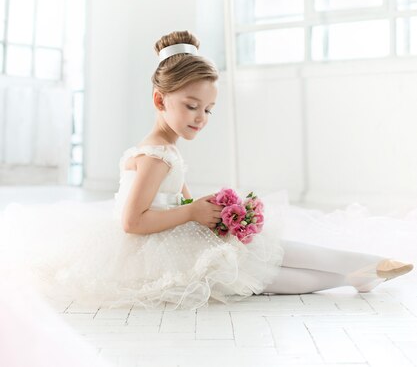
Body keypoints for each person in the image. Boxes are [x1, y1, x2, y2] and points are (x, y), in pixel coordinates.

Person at [0, 30, 413, 310]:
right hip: (153, 253)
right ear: (161, 101)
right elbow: (132, 221)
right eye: (191, 106)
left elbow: (168, 202)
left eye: (208, 109)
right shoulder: (156, 155)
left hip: (171, 235)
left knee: (266, 250)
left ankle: (364, 267)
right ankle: (360, 270)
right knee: (261, 273)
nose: (200, 117)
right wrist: (193, 212)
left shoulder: (162, 149)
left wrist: (204, 208)